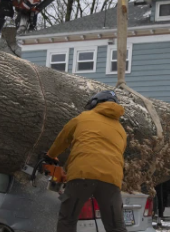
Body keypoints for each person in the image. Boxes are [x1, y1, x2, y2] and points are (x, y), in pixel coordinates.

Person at [46, 90, 128, 232]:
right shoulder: (121, 130)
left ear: (94, 103)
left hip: (82, 174)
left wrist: (50, 155)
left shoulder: (83, 118)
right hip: (112, 179)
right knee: (116, 226)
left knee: (68, 220)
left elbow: (63, 139)